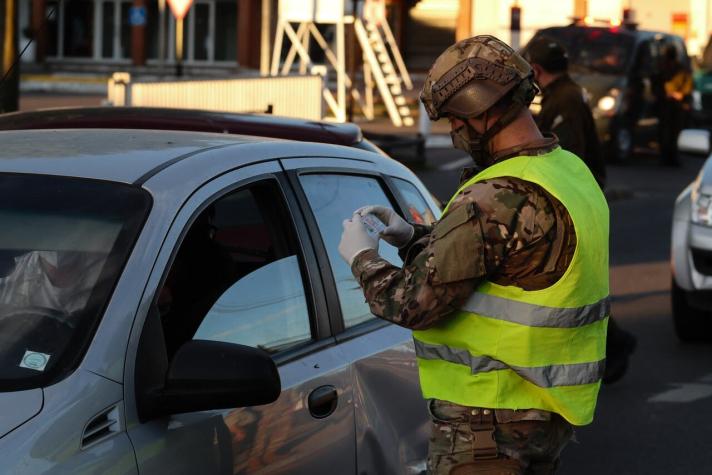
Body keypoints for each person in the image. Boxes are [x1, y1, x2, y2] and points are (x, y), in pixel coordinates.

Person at [338, 35, 609, 474]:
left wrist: (361, 258)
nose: (455, 134)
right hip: (543, 416)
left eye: (455, 122)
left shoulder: (495, 196)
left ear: (479, 110)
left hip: (489, 422)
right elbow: (511, 262)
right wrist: (412, 237)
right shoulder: (567, 171)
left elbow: (410, 304)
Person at [526, 36, 637, 384]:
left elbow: (565, 153)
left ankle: (615, 343)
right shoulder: (565, 94)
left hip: (572, 199)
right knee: (572, 281)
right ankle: (610, 344)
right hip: (577, 196)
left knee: (573, 282)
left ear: (537, 69)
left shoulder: (566, 100)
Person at [658, 45, 693, 166]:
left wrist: (681, 95)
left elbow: (688, 86)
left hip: (676, 106)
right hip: (666, 105)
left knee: (673, 132)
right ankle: (665, 157)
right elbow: (656, 84)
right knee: (666, 132)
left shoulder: (679, 69)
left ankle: (671, 157)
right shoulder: (662, 68)